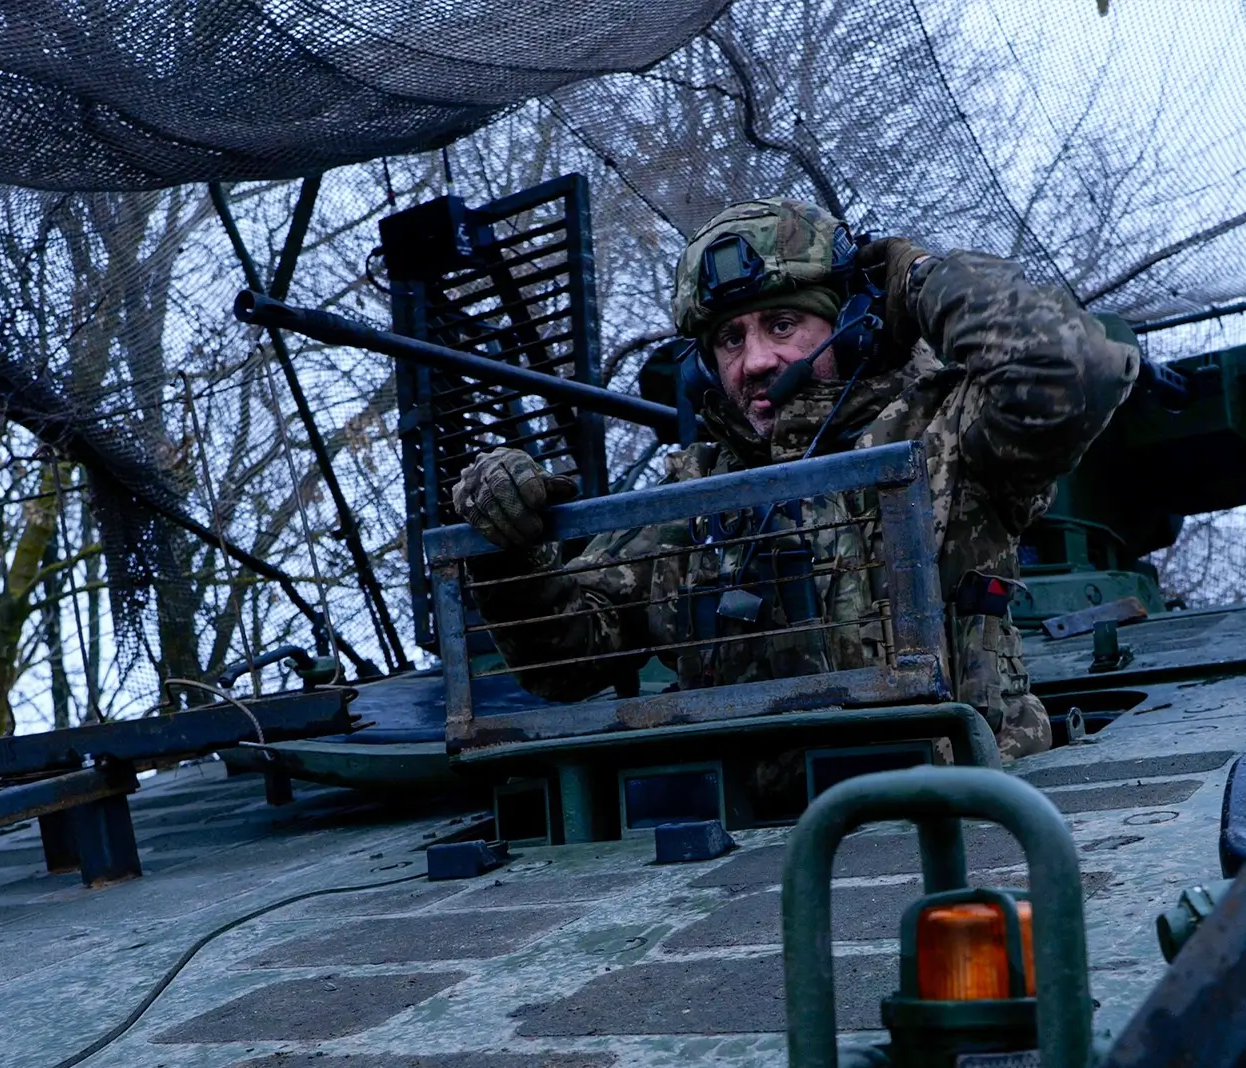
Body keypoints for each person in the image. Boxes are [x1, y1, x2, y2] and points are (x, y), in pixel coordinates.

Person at [449, 198, 1140, 759]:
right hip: (757, 854)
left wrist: (917, 277)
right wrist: (511, 538)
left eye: (783, 323)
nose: (754, 360)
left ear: (856, 327)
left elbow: (1075, 368)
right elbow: (562, 657)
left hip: (962, 817)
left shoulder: (945, 435)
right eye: (729, 339)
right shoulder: (690, 497)